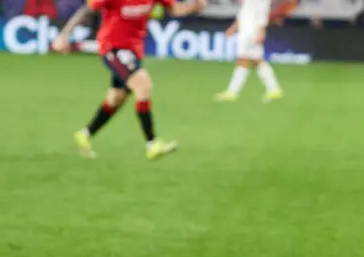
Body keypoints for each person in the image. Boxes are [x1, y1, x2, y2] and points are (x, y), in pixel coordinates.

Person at [53, 0, 208, 160]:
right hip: (112, 47)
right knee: (143, 83)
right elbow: (86, 9)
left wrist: (194, 7)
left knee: (117, 98)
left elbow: (175, 10)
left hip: (134, 51)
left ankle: (85, 134)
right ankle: (152, 143)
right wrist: (63, 36)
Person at [214, 0, 295, 102]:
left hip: (251, 31)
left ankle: (232, 92)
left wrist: (261, 31)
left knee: (244, 60)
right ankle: (274, 89)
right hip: (247, 29)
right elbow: (244, 12)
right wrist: (234, 27)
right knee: (256, 60)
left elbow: (262, 13)